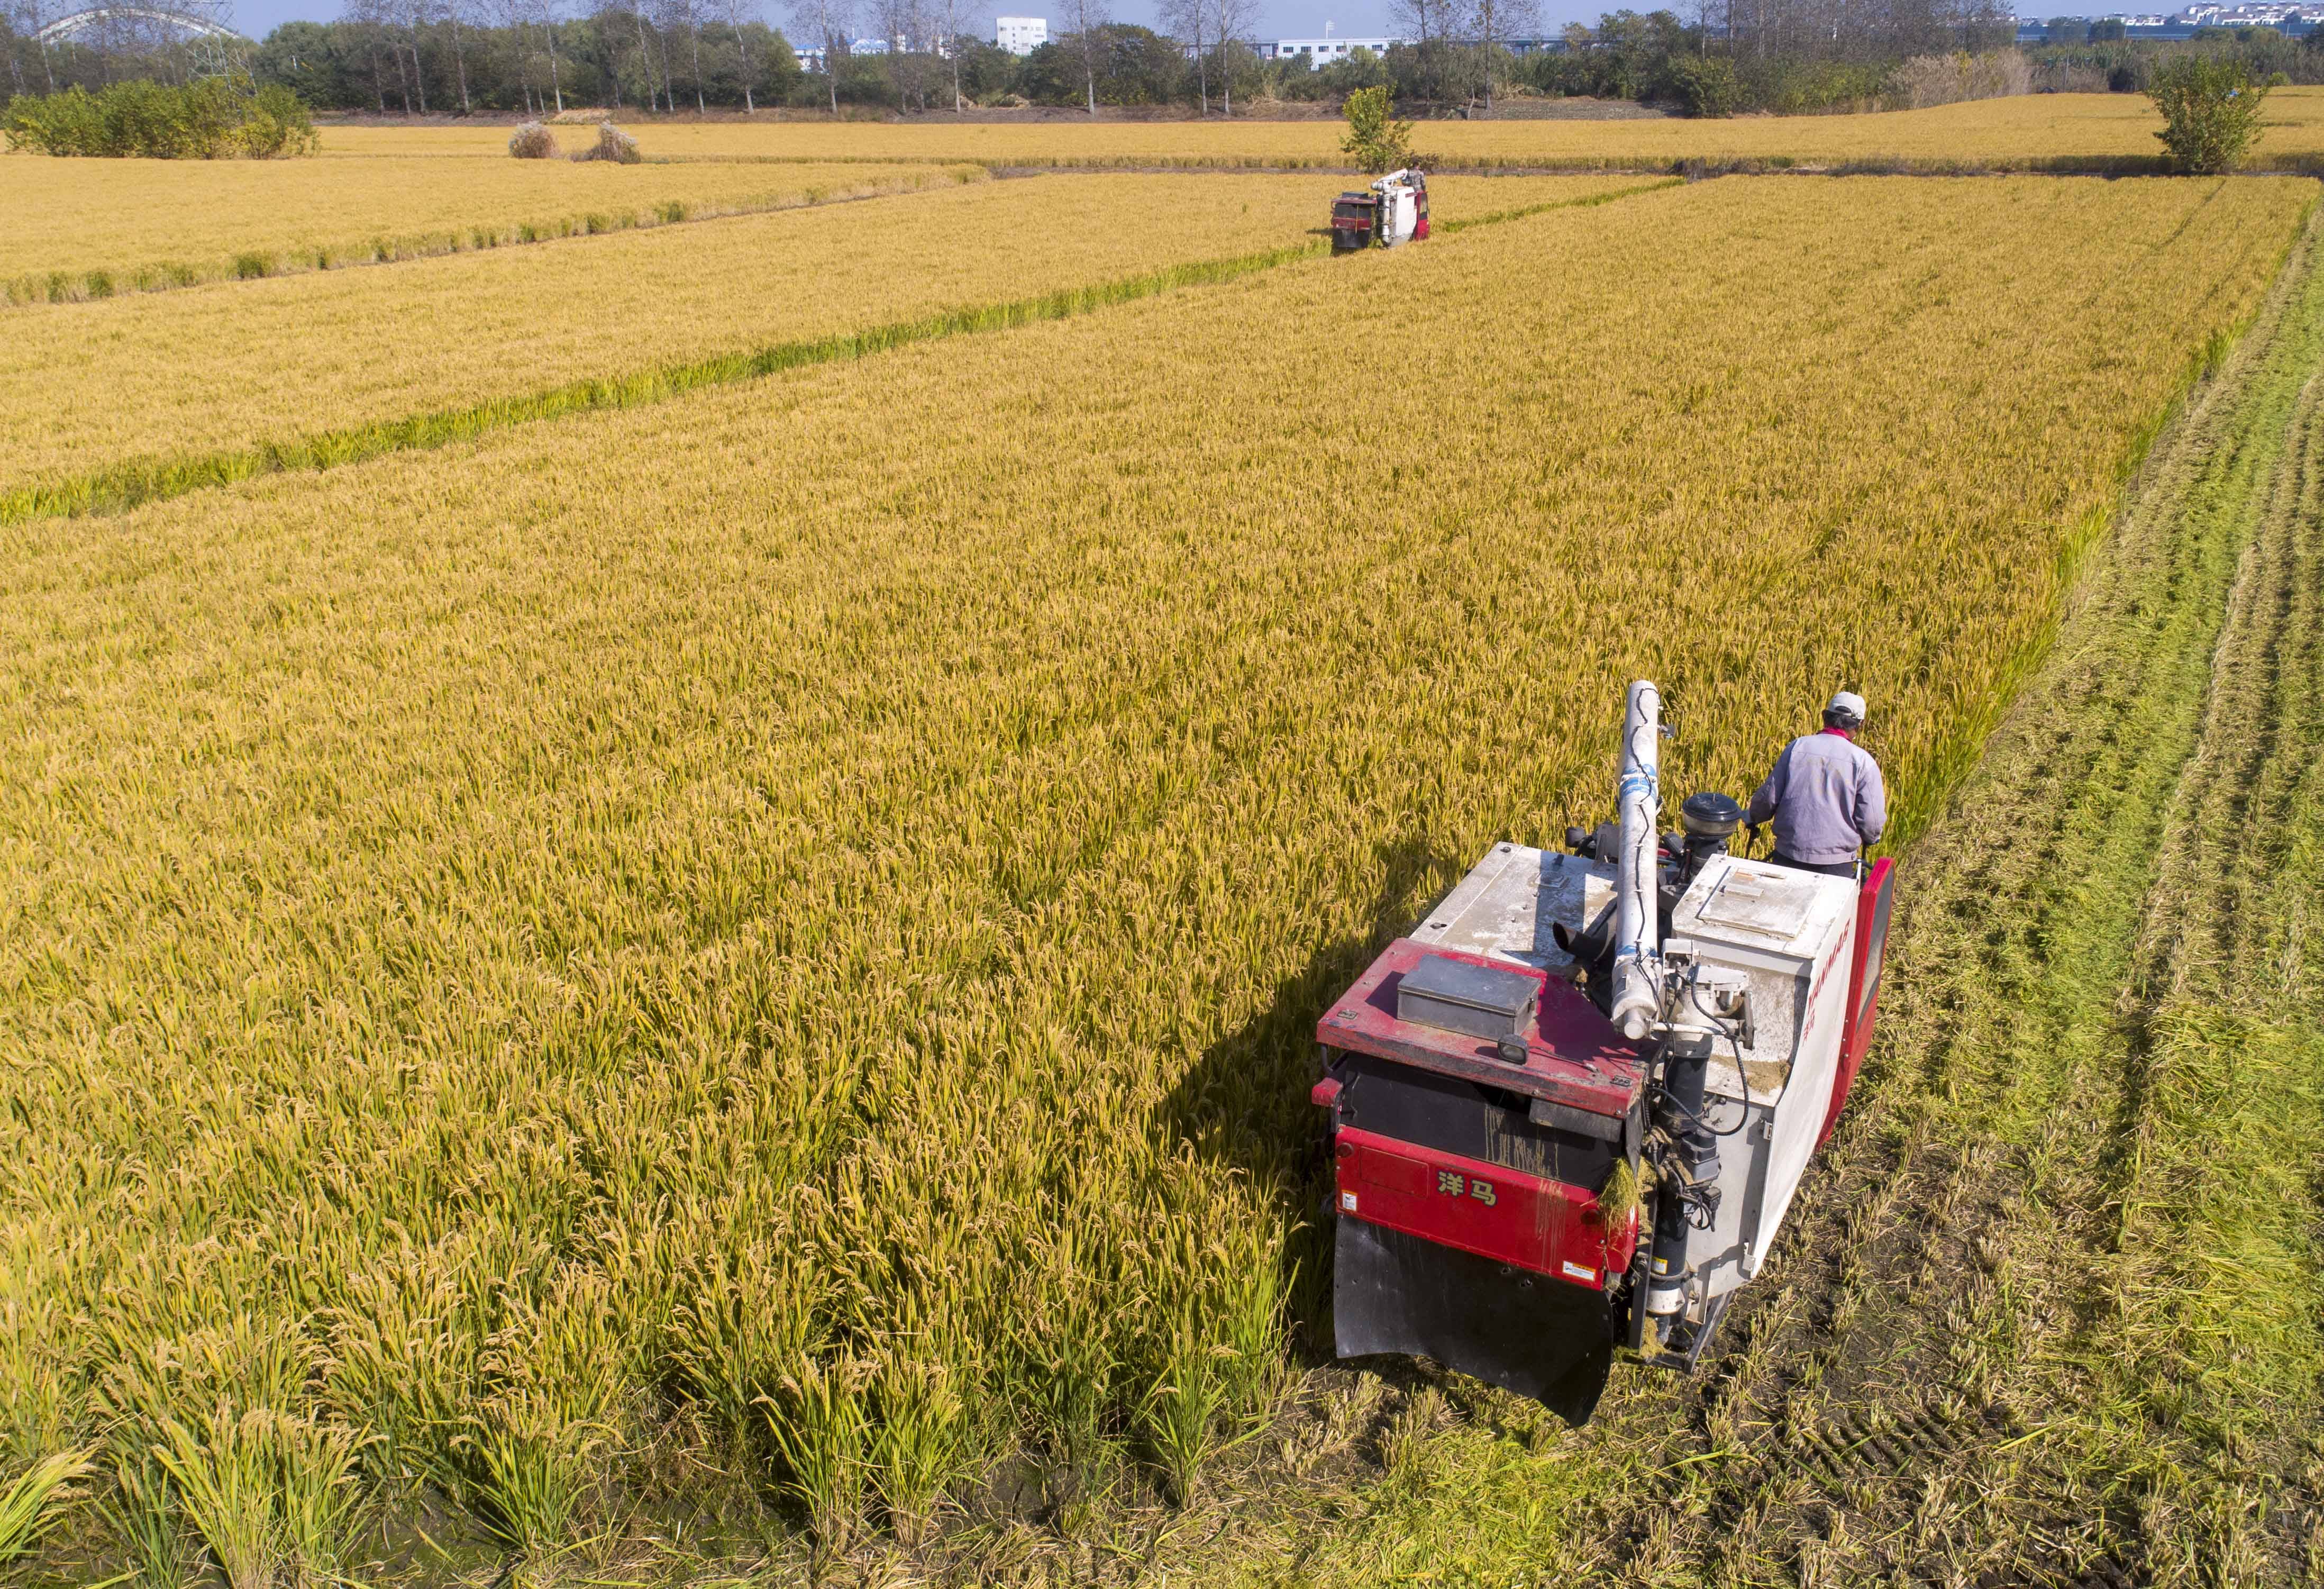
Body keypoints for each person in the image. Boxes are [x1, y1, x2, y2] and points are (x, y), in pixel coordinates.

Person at [1745, 691, 1885, 879]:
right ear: (1860, 725)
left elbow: (1768, 799)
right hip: (1836, 865)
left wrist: (1754, 818)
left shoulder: (1796, 748)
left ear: (1824, 716)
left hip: (1787, 857)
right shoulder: (1863, 762)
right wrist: (1871, 838)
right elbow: (1871, 821)